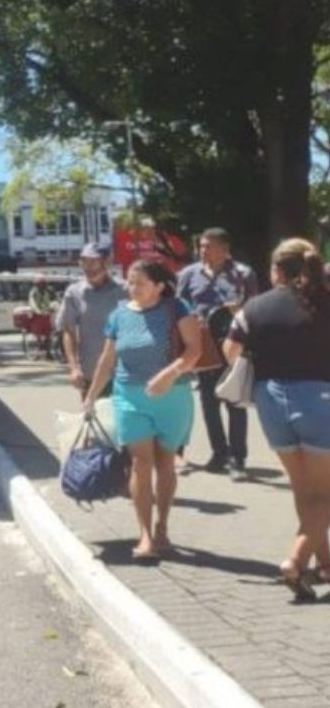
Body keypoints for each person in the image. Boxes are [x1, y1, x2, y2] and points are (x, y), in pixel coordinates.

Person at [222, 239, 330, 602]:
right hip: (319, 399)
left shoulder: (255, 306)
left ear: (277, 271)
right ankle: (295, 560)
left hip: (270, 401)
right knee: (324, 495)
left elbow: (231, 351)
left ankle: (326, 561)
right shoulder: (324, 301)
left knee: (304, 489)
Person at [84, 259, 201, 560]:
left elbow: (194, 350)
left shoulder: (177, 309)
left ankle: (162, 527)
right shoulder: (119, 314)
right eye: (129, 282)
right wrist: (92, 395)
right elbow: (108, 360)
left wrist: (168, 374)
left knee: (165, 464)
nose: (131, 288)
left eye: (139, 283)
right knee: (140, 464)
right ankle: (145, 535)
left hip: (172, 395)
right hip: (129, 397)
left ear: (159, 286)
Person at [177, 228, 259, 479]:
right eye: (201, 246)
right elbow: (179, 307)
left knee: (235, 400)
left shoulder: (243, 274)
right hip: (202, 346)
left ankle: (238, 459)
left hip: (232, 344)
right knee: (209, 403)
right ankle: (219, 453)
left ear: (224, 248)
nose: (203, 251)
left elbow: (255, 310)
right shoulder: (189, 274)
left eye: (209, 246)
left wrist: (239, 310)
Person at [59, 244, 127, 399]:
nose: (88, 268)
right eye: (84, 262)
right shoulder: (74, 293)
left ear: (107, 263)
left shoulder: (125, 290)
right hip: (91, 374)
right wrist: (74, 368)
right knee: (93, 420)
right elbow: (68, 331)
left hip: (125, 374)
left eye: (93, 262)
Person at [27, 274, 56, 359]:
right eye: (40, 283)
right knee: (38, 336)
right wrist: (37, 310)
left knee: (49, 335)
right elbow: (32, 302)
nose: (42, 285)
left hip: (47, 315)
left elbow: (54, 300)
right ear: (36, 284)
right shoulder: (33, 292)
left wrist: (54, 307)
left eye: (43, 283)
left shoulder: (49, 291)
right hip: (37, 316)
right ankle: (37, 353)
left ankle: (48, 353)